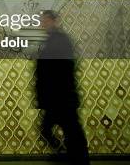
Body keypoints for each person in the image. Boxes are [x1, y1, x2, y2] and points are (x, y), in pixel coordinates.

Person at [35, 10, 90, 165]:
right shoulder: (52, 40)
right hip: (57, 98)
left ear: (54, 21)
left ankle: (73, 157)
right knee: (62, 130)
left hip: (61, 97)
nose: (43, 24)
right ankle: (69, 156)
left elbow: (61, 69)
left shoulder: (59, 40)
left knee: (71, 132)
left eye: (45, 21)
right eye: (42, 21)